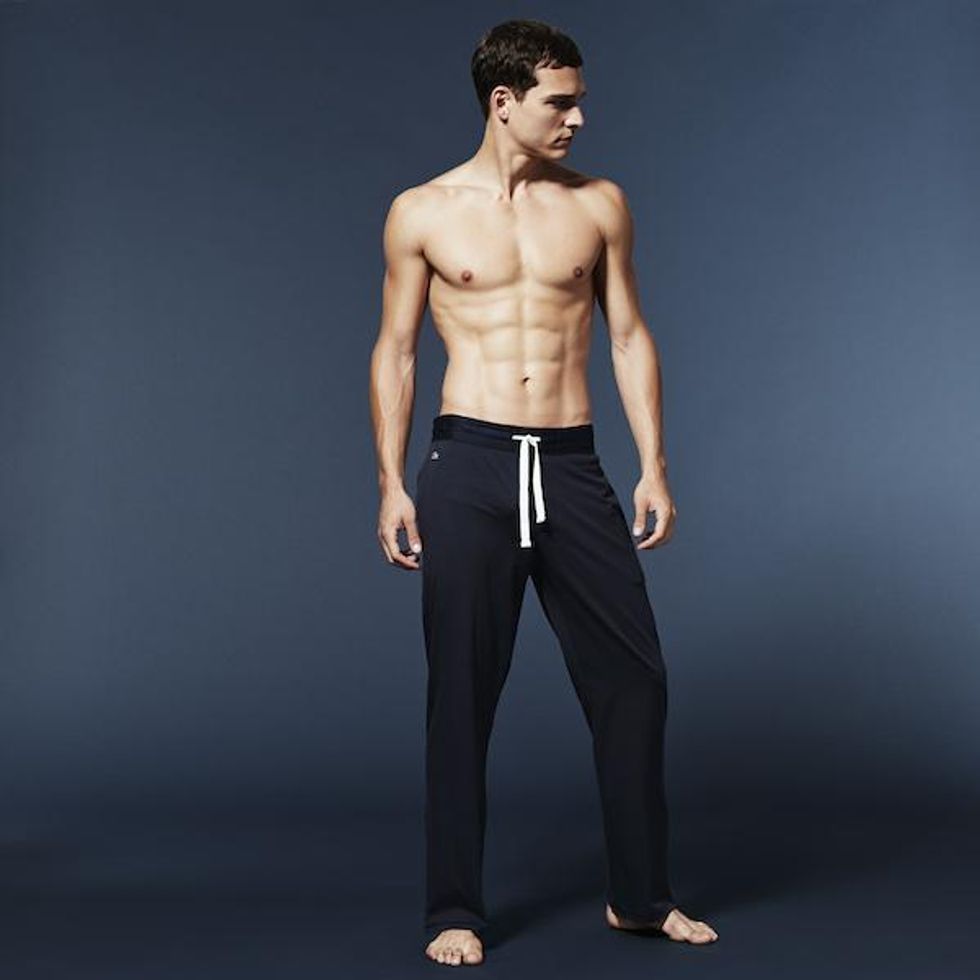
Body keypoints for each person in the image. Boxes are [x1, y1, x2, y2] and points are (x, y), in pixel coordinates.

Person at [369, 18, 718, 967]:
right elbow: (397, 350)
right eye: (560, 102)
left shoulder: (599, 205)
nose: (578, 118)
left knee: (634, 681)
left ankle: (639, 898)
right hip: (470, 464)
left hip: (569, 463)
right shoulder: (422, 212)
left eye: (579, 101)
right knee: (462, 692)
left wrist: (654, 463)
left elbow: (629, 335)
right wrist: (392, 482)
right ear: (504, 102)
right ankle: (454, 909)